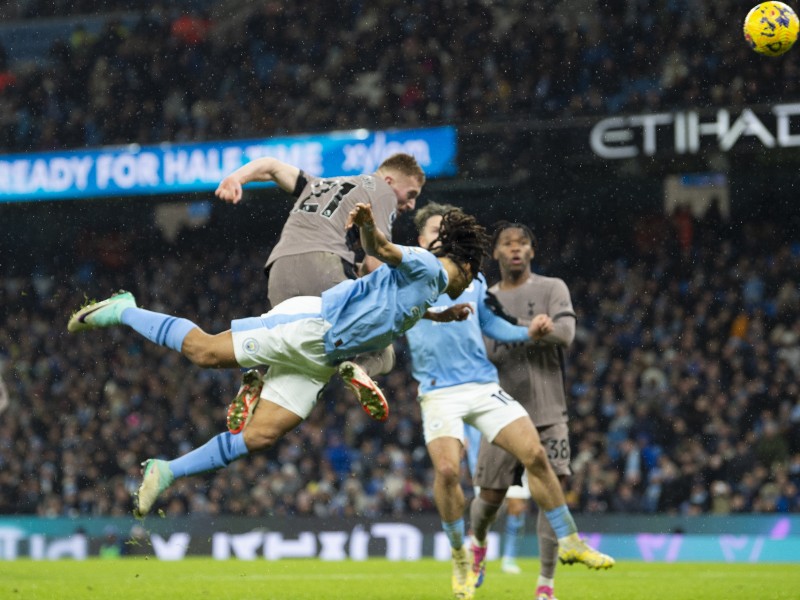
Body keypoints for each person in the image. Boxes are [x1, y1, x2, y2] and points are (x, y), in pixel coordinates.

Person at [67, 204, 484, 520]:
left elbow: (400, 302)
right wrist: (368, 225)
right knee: (205, 352)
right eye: (473, 275)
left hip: (325, 357)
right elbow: (382, 250)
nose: (469, 286)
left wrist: (440, 314)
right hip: (311, 324)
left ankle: (168, 470)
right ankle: (124, 309)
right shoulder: (428, 265)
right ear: (465, 265)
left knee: (261, 435)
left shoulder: (430, 287)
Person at [403, 204, 613, 600]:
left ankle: (569, 539)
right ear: (420, 239)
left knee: (535, 453)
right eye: (435, 230)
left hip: (482, 385)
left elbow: (491, 324)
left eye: (447, 231)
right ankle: (461, 554)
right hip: (437, 390)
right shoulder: (407, 273)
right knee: (449, 472)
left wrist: (526, 332)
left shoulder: (472, 277)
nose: (442, 236)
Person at [214, 152, 426, 426]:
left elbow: (271, 166)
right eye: (410, 194)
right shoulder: (382, 191)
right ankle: (360, 367)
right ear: (388, 179)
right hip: (324, 266)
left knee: (296, 345)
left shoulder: (317, 183)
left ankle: (260, 380)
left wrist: (236, 177)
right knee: (383, 345)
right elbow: (375, 265)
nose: (410, 204)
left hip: (279, 272)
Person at [470, 222, 580, 600]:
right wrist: (523, 329)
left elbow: (565, 335)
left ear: (532, 251)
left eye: (522, 243)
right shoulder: (485, 300)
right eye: (507, 243)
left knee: (552, 496)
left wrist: (535, 329)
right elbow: (481, 351)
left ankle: (546, 585)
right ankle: (478, 545)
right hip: (499, 413)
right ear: (496, 253)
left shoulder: (552, 288)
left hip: (549, 412)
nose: (515, 249)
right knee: (490, 498)